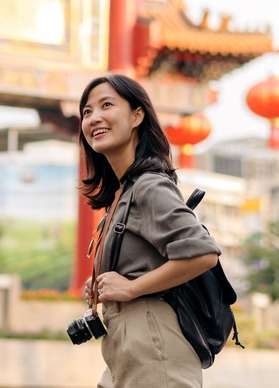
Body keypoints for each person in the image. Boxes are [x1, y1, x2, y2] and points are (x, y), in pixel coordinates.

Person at [78, 74, 220, 387]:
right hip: (124, 347)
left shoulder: (149, 185)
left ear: (137, 115)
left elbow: (203, 253)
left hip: (152, 342)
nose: (94, 118)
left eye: (106, 105)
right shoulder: (122, 195)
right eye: (87, 112)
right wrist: (102, 285)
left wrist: (131, 288)